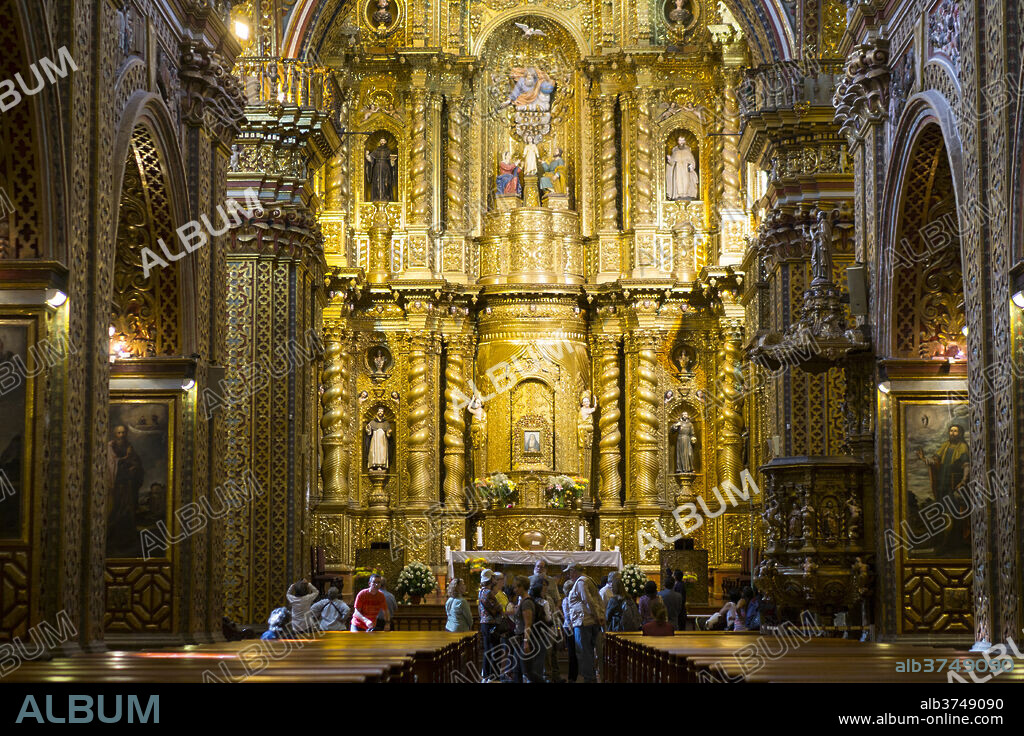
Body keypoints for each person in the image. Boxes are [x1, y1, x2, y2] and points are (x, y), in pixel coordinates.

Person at [564, 561, 605, 683]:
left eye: (569, 572)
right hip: (587, 621)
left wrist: (597, 616)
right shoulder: (587, 580)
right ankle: (590, 676)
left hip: (583, 622)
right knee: (587, 652)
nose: (569, 575)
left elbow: (588, 600)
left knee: (584, 652)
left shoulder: (581, 582)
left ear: (574, 571)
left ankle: (589, 678)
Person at [512, 576, 546, 683]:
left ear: (522, 587)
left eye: (516, 587)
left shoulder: (527, 602)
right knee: (517, 670)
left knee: (527, 671)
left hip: (525, 639)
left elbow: (528, 624)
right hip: (519, 639)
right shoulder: (522, 601)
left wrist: (526, 642)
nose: (514, 590)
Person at [531, 574, 563, 683]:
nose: (544, 587)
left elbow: (554, 614)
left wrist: (558, 628)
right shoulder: (534, 599)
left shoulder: (549, 599)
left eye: (546, 585)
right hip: (540, 631)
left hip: (550, 630)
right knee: (543, 655)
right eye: (542, 585)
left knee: (552, 653)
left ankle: (553, 675)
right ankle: (545, 676)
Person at [477, 569, 504, 681]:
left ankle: (487, 674)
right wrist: (500, 608)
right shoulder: (488, 592)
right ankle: (493, 675)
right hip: (491, 623)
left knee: (488, 650)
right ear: (490, 579)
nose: (495, 580)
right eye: (493, 577)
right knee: (494, 649)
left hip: (485, 623)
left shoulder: (481, 591)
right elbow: (497, 608)